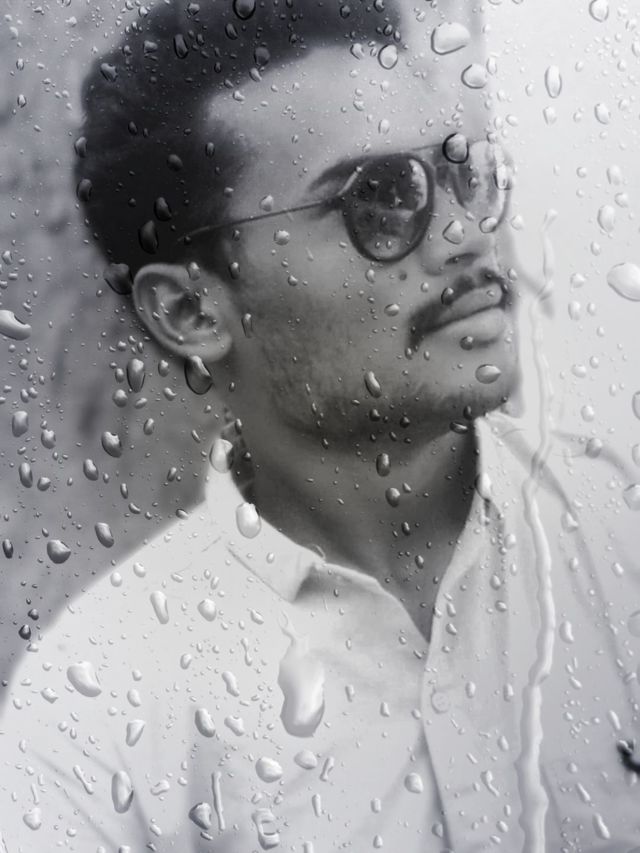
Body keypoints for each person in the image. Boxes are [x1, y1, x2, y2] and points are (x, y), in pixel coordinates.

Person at [1, 1, 639, 851]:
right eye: (377, 200)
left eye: (461, 171)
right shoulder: (96, 716)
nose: (463, 234)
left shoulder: (616, 531)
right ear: (191, 311)